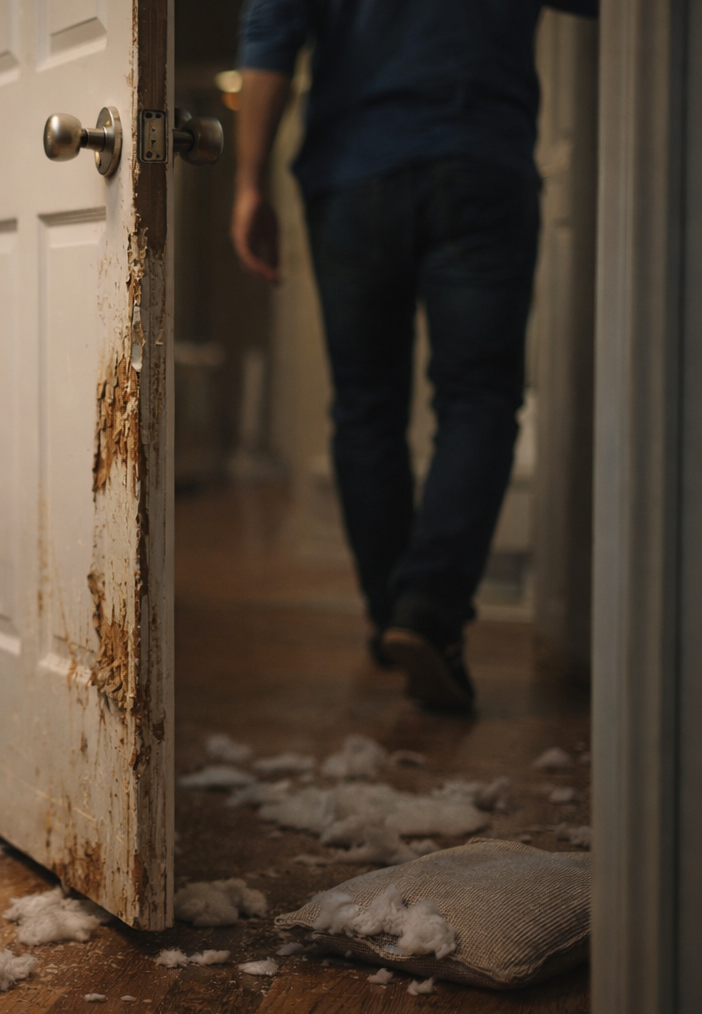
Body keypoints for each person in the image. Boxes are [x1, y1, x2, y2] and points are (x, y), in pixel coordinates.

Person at [232, 0, 597, 712]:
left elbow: (272, 29)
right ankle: (425, 606)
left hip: (352, 175)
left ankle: (392, 609)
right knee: (480, 398)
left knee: (366, 409)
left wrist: (250, 184)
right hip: (480, 161)